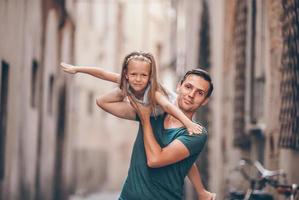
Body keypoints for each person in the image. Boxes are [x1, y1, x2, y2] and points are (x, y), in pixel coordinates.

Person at [61, 52, 215, 199]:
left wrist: (146, 118)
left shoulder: (195, 132)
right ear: (179, 86)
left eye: (200, 93)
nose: (191, 95)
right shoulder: (154, 111)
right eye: (188, 87)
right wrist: (126, 87)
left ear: (205, 100)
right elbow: (103, 99)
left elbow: (155, 160)